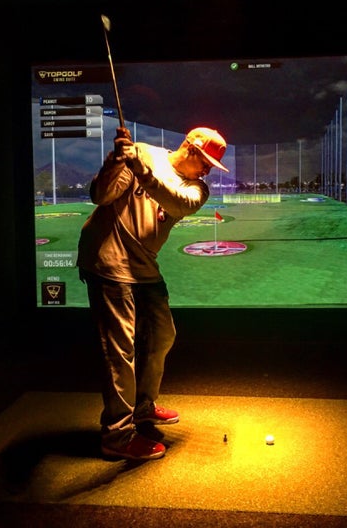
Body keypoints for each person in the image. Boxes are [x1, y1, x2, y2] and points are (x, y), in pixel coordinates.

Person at [77, 125, 229, 461]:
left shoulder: (196, 188)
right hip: (108, 259)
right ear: (190, 148)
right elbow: (101, 196)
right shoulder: (142, 153)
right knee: (120, 348)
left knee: (162, 334)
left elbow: (179, 203)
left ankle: (142, 406)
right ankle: (117, 434)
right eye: (205, 162)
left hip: (144, 263)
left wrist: (142, 172)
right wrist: (116, 161)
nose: (207, 171)